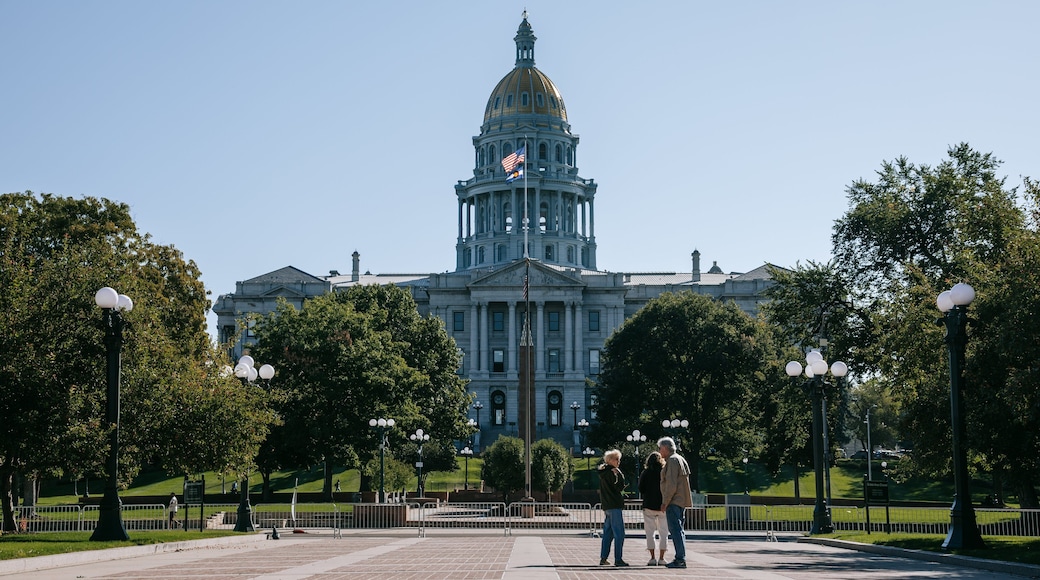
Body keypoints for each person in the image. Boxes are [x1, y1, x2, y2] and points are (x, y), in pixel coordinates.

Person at [658, 436, 692, 569]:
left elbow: (671, 484)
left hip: (674, 500)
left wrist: (665, 502)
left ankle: (680, 559)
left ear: (666, 448)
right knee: (679, 530)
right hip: (681, 500)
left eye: (660, 449)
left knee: (675, 530)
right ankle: (681, 557)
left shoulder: (672, 461)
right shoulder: (679, 458)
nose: (660, 452)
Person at [597, 449, 629, 567]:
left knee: (608, 534)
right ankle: (618, 558)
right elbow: (619, 488)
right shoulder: (612, 472)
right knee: (619, 533)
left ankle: (603, 557)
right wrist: (620, 475)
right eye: (617, 459)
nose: (619, 462)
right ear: (611, 460)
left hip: (607, 506)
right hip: (614, 505)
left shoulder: (603, 472)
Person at [639, 451, 668, 566]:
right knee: (664, 533)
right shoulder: (664, 472)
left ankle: (652, 557)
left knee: (650, 533)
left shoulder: (645, 473)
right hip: (663, 506)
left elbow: (641, 488)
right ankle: (662, 558)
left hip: (649, 505)